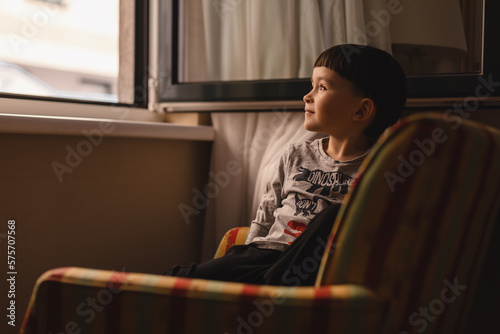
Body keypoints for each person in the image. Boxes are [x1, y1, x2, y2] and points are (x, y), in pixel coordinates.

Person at [164, 44, 407, 286]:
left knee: (334, 216)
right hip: (265, 256)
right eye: (311, 85)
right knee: (178, 277)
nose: (307, 96)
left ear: (362, 109)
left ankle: (273, 288)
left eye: (322, 87)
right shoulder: (297, 153)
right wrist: (248, 253)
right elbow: (267, 214)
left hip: (316, 268)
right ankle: (268, 286)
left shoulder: (381, 166)